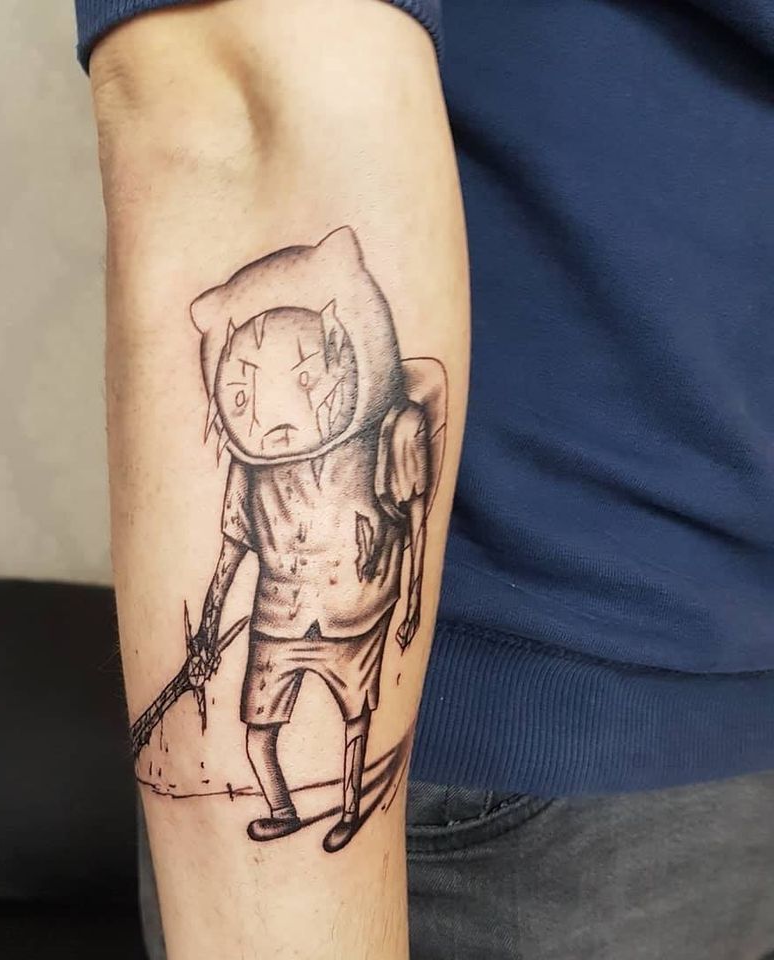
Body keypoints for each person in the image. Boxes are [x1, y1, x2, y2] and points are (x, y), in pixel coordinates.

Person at [74, 0, 774, 957]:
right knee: (271, 728)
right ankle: (306, 802)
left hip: (737, 711)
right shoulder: (302, 457)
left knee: (343, 717)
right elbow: (243, 118)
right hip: (498, 760)